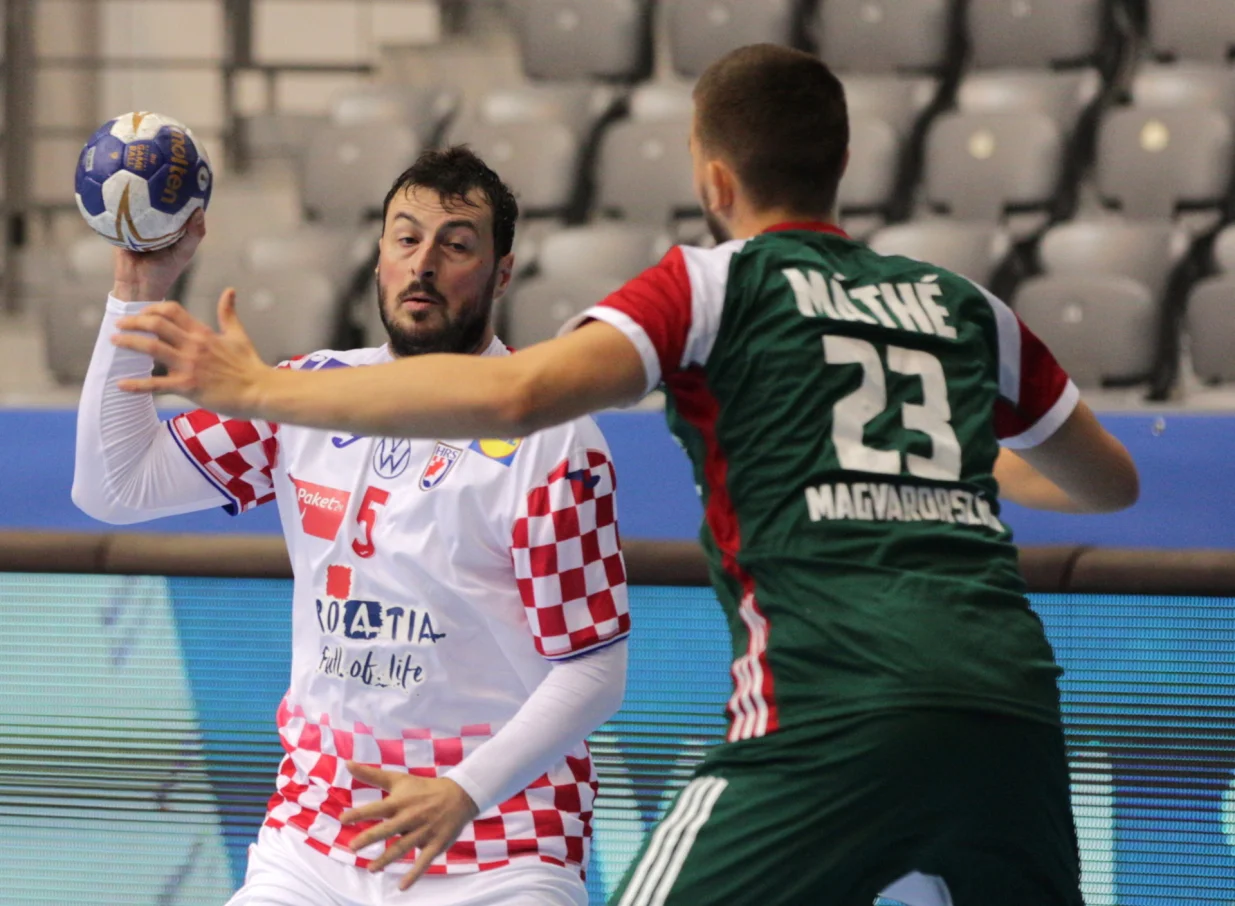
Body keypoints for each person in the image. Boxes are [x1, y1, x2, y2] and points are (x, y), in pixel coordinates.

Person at [112, 45, 1140, 906]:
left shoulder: (706, 284)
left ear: (711, 180)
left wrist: (262, 388)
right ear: (844, 166)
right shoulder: (963, 303)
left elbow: (519, 400)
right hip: (1010, 706)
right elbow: (1106, 485)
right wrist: (929, 464)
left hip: (826, 708)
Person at [73, 147, 632, 906]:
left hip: (501, 847)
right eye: (405, 239)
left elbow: (594, 670)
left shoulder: (551, 437)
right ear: (377, 259)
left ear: (501, 275)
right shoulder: (304, 393)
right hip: (313, 841)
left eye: (456, 243)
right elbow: (116, 486)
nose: (424, 263)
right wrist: (138, 291)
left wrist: (461, 792)